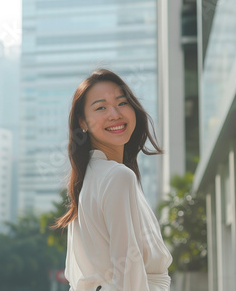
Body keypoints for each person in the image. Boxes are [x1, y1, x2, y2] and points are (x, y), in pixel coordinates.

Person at [52, 68, 172, 291]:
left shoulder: (88, 178)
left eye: (122, 102)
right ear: (83, 123)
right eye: (101, 108)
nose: (115, 114)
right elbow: (129, 271)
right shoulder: (117, 177)